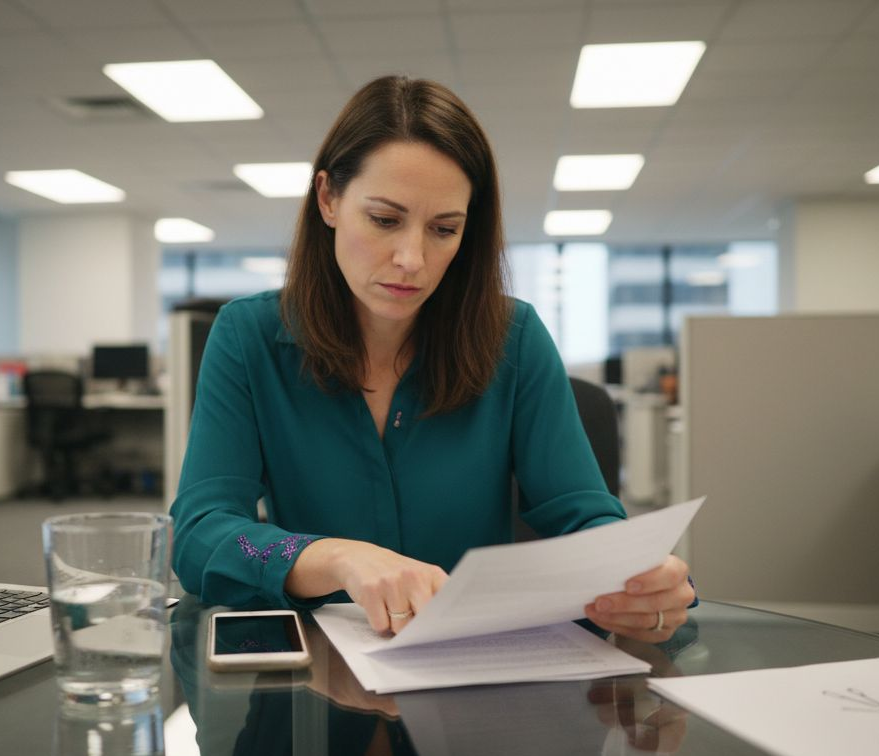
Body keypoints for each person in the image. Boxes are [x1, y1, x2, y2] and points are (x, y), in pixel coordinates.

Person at [170, 75, 694, 643]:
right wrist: (334, 557)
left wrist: (639, 582)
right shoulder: (250, 336)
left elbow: (585, 516)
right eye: (385, 220)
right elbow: (202, 534)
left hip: (479, 675)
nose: (412, 259)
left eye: (445, 230)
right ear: (328, 200)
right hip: (317, 689)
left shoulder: (512, 337)